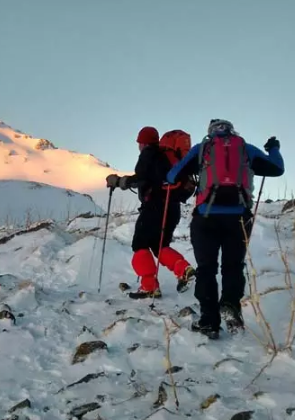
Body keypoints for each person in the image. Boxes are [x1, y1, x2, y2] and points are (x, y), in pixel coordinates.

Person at [166, 119, 284, 339]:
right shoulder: (246, 148)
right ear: (232, 130)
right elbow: (277, 169)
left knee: (206, 269)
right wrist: (273, 148)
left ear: (211, 132)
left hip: (206, 218)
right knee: (233, 266)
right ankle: (230, 305)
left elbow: (173, 175)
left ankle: (209, 321)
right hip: (239, 218)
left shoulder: (203, 148)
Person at [106, 126, 197, 300]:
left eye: (139, 143)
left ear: (143, 142)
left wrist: (118, 181)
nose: (139, 146)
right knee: (160, 246)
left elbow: (141, 178)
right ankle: (184, 270)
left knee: (139, 244)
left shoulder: (149, 154)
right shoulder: (169, 158)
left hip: (154, 206)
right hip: (173, 206)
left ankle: (149, 287)